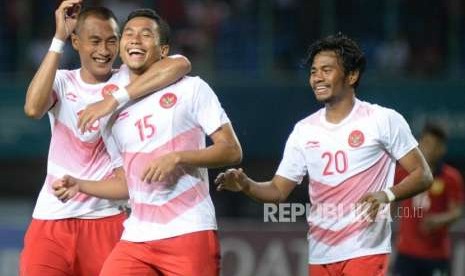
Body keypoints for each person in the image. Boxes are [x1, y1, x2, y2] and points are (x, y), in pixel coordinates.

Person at [215, 33, 433, 276]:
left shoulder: (383, 120)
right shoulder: (304, 130)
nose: (317, 77)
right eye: (313, 71)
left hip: (365, 251)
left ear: (352, 75)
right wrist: (246, 184)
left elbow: (422, 175)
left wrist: (387, 194)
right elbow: (277, 190)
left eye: (326, 70)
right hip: (320, 254)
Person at [52, 8, 242, 276]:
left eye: (145, 35)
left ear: (163, 51)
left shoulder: (191, 88)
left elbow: (232, 150)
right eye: (128, 34)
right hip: (136, 236)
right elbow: (126, 184)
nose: (135, 40)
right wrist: (81, 184)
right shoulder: (113, 111)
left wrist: (179, 157)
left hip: (188, 229)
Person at [21, 1, 191, 275]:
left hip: (108, 219)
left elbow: (181, 64)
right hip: (52, 218)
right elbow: (32, 108)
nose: (104, 51)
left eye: (112, 41)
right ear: (76, 42)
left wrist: (114, 99)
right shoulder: (63, 82)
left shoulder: (127, 79)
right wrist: (58, 38)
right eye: (95, 41)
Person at [393, 123, 464, 276]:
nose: (430, 149)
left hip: (436, 256)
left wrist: (440, 220)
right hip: (406, 254)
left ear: (442, 149)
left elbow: (457, 211)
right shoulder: (403, 172)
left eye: (435, 145)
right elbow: (391, 201)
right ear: (418, 144)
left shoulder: (451, 178)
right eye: (426, 143)